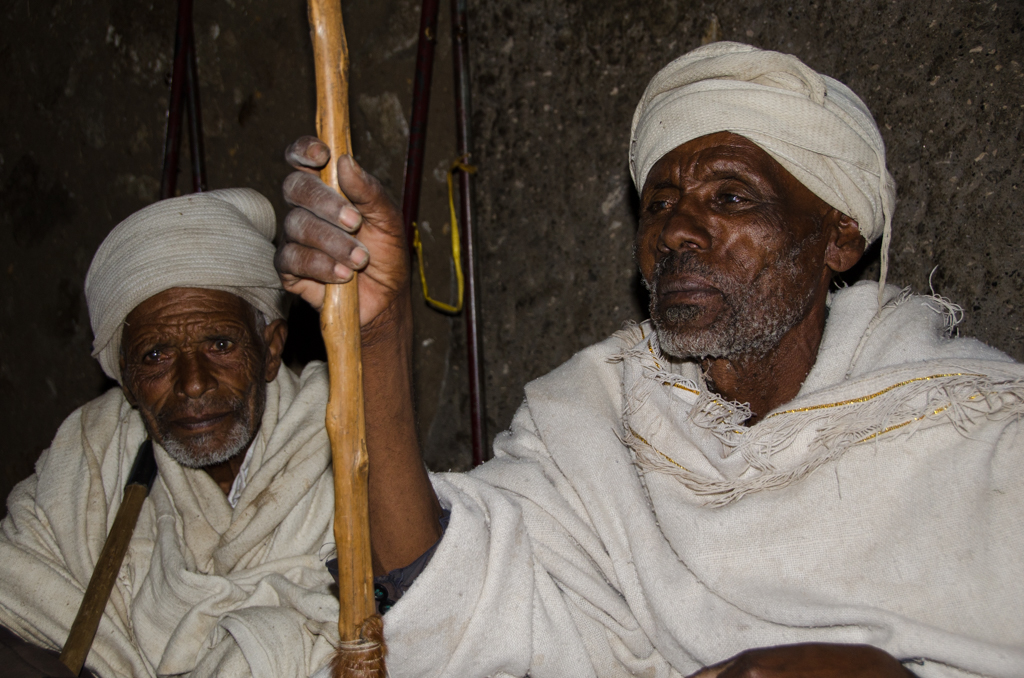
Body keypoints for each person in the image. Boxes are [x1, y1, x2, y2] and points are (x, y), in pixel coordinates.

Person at [277, 42, 1024, 677]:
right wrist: (377, 335)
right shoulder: (596, 418)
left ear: (839, 239)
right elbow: (448, 595)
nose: (677, 232)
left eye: (732, 198)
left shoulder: (979, 438)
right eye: (660, 203)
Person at [0, 189, 343, 677]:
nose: (194, 383)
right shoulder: (90, 458)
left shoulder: (347, 448)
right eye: (155, 356)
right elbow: (19, 593)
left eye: (220, 344)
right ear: (126, 377)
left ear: (269, 350)